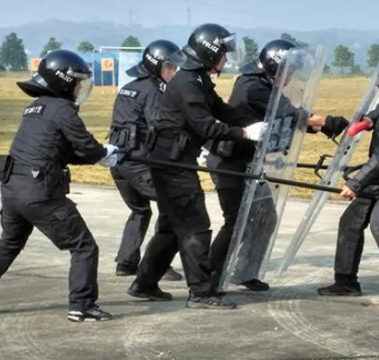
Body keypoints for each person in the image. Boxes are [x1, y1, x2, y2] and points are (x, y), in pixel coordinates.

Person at [127, 23, 267, 309]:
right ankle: (201, 292)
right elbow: (205, 126)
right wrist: (244, 134)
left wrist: (250, 122)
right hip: (172, 162)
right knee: (195, 226)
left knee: (170, 225)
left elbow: (221, 110)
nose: (226, 60)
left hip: (172, 159)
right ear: (208, 53)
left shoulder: (198, 78)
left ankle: (144, 284)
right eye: (223, 54)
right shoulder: (188, 82)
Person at [206, 39, 349, 291]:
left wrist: (322, 127)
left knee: (265, 217)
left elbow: (287, 119)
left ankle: (245, 272)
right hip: (229, 163)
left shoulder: (264, 83)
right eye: (288, 72)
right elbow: (291, 114)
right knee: (236, 221)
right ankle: (209, 277)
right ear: (275, 67)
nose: (291, 77)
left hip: (250, 163)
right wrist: (326, 121)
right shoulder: (252, 87)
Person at [0, 50, 118, 322]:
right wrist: (105, 153)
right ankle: (82, 305)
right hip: (39, 195)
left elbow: (58, 152)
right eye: (77, 82)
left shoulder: (36, 108)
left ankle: (82, 304)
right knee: (84, 246)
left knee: (9, 244)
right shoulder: (62, 109)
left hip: (12, 191)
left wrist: (101, 156)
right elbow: (86, 146)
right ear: (64, 82)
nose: (80, 88)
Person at [109, 39, 182, 281]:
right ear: (156, 66)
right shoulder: (153, 91)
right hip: (139, 163)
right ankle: (158, 263)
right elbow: (160, 126)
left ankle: (126, 262)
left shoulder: (129, 87)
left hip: (119, 162)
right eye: (170, 67)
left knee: (140, 210)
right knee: (172, 205)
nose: (174, 71)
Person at [318, 108, 379, 296]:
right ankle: (346, 282)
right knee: (350, 222)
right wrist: (369, 119)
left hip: (374, 172)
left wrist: (355, 184)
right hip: (375, 179)